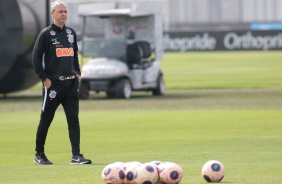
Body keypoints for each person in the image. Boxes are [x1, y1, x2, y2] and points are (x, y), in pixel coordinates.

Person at [32, 0, 91, 165]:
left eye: (65, 11)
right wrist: (44, 78)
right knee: (46, 119)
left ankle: (76, 155)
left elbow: (74, 55)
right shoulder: (45, 34)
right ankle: (39, 154)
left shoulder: (71, 33)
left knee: (73, 120)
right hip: (54, 86)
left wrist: (77, 72)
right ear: (53, 14)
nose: (64, 14)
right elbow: (36, 58)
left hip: (71, 85)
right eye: (60, 11)